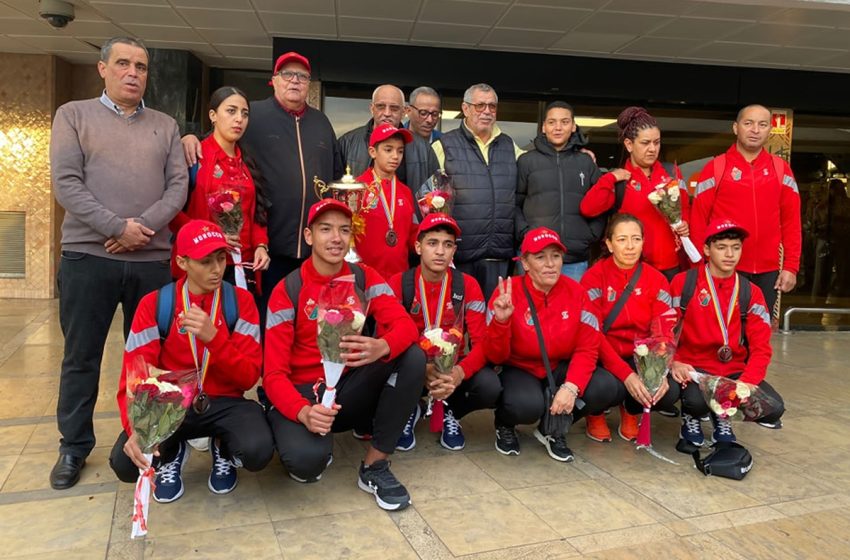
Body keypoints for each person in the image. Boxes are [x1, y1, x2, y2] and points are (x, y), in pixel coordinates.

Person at [49, 36, 188, 490]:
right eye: (123, 64)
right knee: (81, 356)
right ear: (102, 68)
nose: (133, 73)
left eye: (142, 66)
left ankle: (145, 439)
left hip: (150, 260)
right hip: (89, 257)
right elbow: (67, 184)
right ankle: (73, 447)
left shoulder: (165, 125)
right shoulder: (73, 115)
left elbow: (177, 189)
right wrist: (115, 227)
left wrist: (139, 229)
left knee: (148, 361)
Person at [263, 199, 424, 511]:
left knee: (411, 356)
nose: (336, 238)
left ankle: (375, 465)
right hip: (306, 394)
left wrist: (383, 345)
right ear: (309, 236)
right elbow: (272, 375)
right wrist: (302, 412)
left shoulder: (364, 277)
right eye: (326, 229)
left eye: (343, 230)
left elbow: (405, 325)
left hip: (349, 388)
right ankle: (309, 436)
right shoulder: (288, 290)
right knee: (305, 464)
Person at [108, 220, 273, 501]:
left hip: (224, 402)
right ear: (182, 262)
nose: (217, 269)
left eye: (221, 258)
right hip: (171, 403)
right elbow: (135, 376)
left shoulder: (241, 302)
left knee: (258, 450)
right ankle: (173, 451)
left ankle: (223, 446)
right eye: (206, 261)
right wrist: (135, 428)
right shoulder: (155, 304)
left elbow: (248, 377)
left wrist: (214, 339)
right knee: (125, 464)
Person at [182, 51, 343, 319]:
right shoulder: (253, 114)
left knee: (309, 319)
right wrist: (189, 137)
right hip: (268, 248)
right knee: (266, 320)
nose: (295, 81)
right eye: (287, 75)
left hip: (313, 248)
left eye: (302, 76)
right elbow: (219, 139)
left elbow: (337, 176)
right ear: (274, 80)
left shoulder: (322, 123)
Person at [485, 227, 624, 462]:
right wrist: (501, 321)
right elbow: (495, 356)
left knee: (606, 386)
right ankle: (505, 424)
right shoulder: (507, 293)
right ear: (525, 263)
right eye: (540, 257)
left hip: (559, 365)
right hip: (520, 367)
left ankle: (552, 428)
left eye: (556, 256)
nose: (550, 264)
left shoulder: (577, 293)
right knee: (526, 406)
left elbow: (587, 348)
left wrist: (572, 387)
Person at [389, 213, 501, 451]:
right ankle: (412, 408)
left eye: (447, 245)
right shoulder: (399, 283)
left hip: (452, 369)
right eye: (433, 243)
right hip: (412, 366)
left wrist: (460, 372)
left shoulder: (467, 285)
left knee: (490, 386)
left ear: (453, 252)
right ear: (418, 247)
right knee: (382, 374)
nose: (440, 251)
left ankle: (451, 410)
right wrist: (423, 368)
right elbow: (386, 338)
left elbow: (482, 343)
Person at [671, 219, 785, 446]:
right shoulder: (684, 283)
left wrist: (748, 382)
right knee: (696, 402)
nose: (729, 254)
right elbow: (663, 331)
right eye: (721, 247)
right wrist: (674, 361)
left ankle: (723, 416)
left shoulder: (750, 292)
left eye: (736, 247)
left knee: (773, 408)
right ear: (706, 249)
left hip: (732, 370)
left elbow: (761, 346)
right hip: (696, 369)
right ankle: (691, 417)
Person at [690, 104, 801, 315]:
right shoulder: (715, 168)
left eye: (762, 124)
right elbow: (698, 221)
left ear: (769, 130)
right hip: (724, 268)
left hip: (768, 272)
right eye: (748, 123)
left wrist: (790, 267)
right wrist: (699, 268)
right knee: (722, 338)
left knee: (759, 338)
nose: (755, 130)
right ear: (735, 128)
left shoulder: (781, 169)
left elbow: (792, 222)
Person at [580, 213, 680, 443]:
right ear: (609, 244)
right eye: (622, 239)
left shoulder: (657, 280)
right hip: (602, 355)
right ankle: (594, 414)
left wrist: (658, 369)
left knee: (669, 390)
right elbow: (592, 334)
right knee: (602, 387)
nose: (630, 246)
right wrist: (627, 376)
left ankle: (632, 411)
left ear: (643, 242)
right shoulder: (593, 278)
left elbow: (663, 330)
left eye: (636, 239)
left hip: (640, 356)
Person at [170, 86, 270, 296]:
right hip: (202, 263)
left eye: (244, 114)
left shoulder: (248, 162)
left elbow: (256, 211)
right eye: (231, 111)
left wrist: (262, 246)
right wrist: (212, 235)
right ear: (213, 115)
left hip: (244, 265)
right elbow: (171, 212)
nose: (239, 119)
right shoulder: (194, 156)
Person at [432, 83, 524, 300]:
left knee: (495, 323)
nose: (487, 111)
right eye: (480, 105)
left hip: (499, 258)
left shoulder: (510, 146)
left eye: (492, 106)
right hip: (460, 255)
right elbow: (429, 202)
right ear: (465, 108)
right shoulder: (443, 145)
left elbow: (537, 171)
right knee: (458, 323)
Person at [580, 107, 689, 281]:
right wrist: (609, 179)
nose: (653, 149)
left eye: (657, 142)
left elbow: (685, 209)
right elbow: (588, 208)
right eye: (645, 143)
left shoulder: (672, 173)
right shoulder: (620, 180)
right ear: (629, 145)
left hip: (671, 268)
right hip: (633, 270)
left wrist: (685, 224)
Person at [516, 101, 605, 282]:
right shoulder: (526, 161)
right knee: (532, 309)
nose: (558, 127)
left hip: (575, 259)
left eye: (564, 122)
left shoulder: (586, 162)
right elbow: (514, 203)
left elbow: (602, 202)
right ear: (543, 127)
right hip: (535, 256)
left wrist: (591, 235)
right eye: (552, 122)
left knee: (571, 310)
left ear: (573, 126)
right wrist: (525, 233)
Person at [339, 84, 439, 194]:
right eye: (381, 107)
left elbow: (435, 194)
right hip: (359, 210)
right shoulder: (347, 143)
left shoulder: (423, 149)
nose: (387, 113)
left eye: (394, 108)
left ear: (404, 111)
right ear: (372, 109)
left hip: (406, 209)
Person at [354, 124, 417, 281]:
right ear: (373, 152)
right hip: (363, 279)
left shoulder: (406, 192)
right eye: (388, 150)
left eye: (400, 150)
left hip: (399, 280)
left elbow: (413, 235)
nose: (395, 156)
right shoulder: (356, 189)